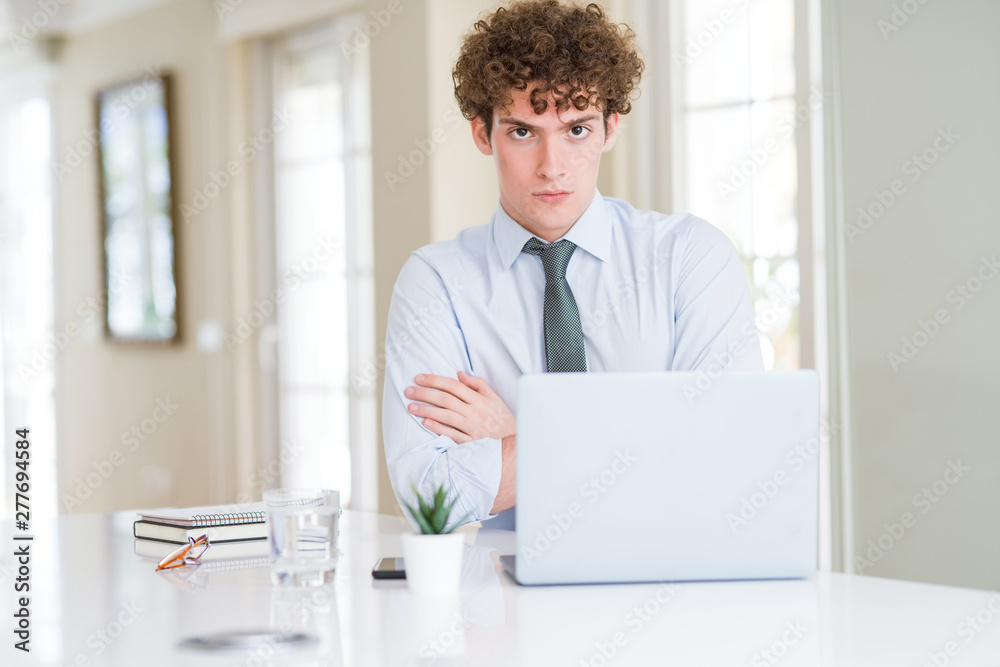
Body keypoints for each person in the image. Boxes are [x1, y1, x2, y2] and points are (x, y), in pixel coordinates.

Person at [382, 0, 764, 530]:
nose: (552, 166)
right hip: (510, 601)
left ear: (610, 129)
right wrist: (638, 441)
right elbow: (427, 496)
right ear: (481, 133)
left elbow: (728, 460)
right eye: (522, 132)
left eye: (577, 130)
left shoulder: (689, 258)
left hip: (671, 582)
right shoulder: (437, 283)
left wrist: (522, 434)